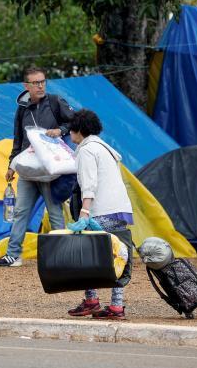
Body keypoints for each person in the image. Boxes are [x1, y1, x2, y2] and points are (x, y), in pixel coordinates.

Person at [0, 67, 74, 267]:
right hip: (28, 170)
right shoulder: (22, 109)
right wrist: (11, 165)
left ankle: (62, 256)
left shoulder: (55, 101)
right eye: (36, 83)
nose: (40, 86)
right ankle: (13, 255)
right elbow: (18, 139)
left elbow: (75, 122)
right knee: (20, 211)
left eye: (43, 81)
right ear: (26, 86)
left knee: (54, 213)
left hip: (49, 170)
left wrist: (60, 130)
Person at [66, 109, 134, 320]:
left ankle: (91, 300)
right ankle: (116, 306)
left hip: (100, 211)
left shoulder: (86, 150)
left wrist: (84, 213)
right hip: (120, 210)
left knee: (86, 253)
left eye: (71, 128)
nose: (69, 132)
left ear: (79, 130)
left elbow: (89, 184)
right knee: (118, 255)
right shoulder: (106, 148)